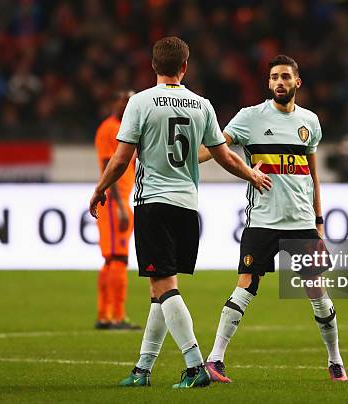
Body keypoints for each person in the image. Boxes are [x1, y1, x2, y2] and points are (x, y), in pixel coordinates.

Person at [89, 36, 271, 389]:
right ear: (185, 67)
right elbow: (224, 155)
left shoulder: (140, 103)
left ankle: (194, 366)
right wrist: (251, 173)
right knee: (159, 290)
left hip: (153, 203)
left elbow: (122, 158)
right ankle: (143, 369)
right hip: (187, 207)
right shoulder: (201, 105)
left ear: (154, 66)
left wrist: (99, 189)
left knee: (163, 284)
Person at [198, 55, 348, 382]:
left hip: (301, 222)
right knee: (245, 286)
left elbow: (312, 175)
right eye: (274, 77)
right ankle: (215, 358)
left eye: (285, 77)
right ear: (269, 83)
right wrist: (188, 158)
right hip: (262, 221)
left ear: (297, 82)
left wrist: (318, 218)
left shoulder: (310, 123)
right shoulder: (250, 118)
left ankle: (335, 359)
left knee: (317, 292)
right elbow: (216, 147)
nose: (279, 82)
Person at [94, 90, 141, 330]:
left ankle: (105, 315)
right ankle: (116, 316)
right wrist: (122, 207)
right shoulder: (108, 129)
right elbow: (107, 169)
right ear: (115, 102)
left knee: (111, 259)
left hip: (120, 200)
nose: (128, 106)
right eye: (124, 101)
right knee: (119, 258)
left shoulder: (128, 130)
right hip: (114, 202)